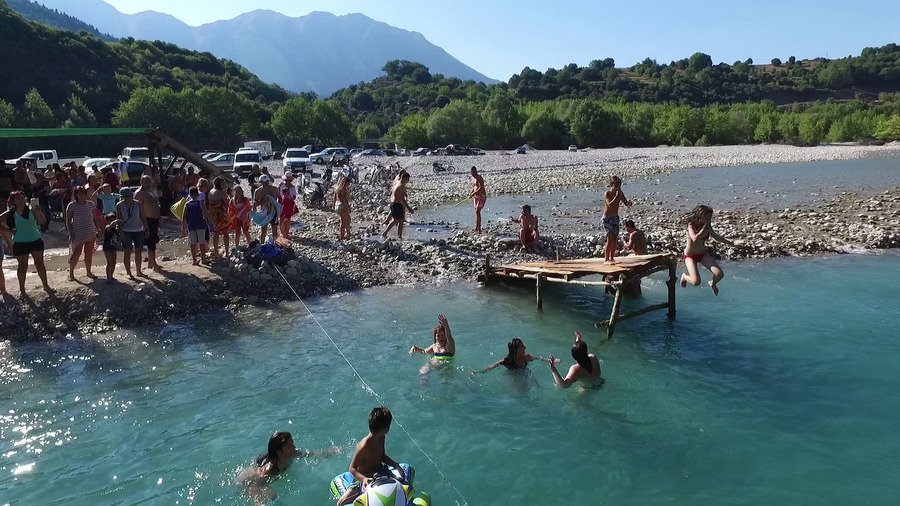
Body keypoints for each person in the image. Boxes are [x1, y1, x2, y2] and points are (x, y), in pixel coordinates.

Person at [239, 431, 341, 506]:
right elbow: (253, 487)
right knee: (272, 496)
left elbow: (314, 454)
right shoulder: (269, 470)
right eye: (289, 446)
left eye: (292, 443)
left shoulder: (293, 454)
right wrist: (260, 503)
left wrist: (333, 451)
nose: (294, 447)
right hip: (246, 479)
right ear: (279, 452)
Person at [337, 406, 402, 506]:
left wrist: (395, 465)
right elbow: (352, 468)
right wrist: (363, 479)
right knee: (341, 503)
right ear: (386, 429)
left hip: (381, 471)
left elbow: (382, 456)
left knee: (402, 486)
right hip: (365, 477)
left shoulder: (381, 437)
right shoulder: (363, 446)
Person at [0, 191, 53, 298]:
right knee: (22, 266)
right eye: (18, 198)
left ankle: (46, 286)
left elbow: (43, 222)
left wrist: (38, 211)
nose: (21, 200)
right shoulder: (11, 212)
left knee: (40, 264)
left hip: (35, 240)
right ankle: (22, 290)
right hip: (20, 242)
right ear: (13, 201)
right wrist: (9, 231)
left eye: (23, 197)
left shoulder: (31, 209)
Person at [680, 204, 735, 296]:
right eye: (707, 217)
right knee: (696, 282)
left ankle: (712, 284)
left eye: (710, 217)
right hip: (690, 256)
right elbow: (694, 238)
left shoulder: (708, 226)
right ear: (700, 216)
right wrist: (703, 229)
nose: (709, 220)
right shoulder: (691, 225)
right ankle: (684, 277)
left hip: (702, 254)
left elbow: (716, 236)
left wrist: (731, 243)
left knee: (719, 274)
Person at [65, 186, 100, 281]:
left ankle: (89, 272)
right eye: (78, 193)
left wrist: (98, 228)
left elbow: (95, 217)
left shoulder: (90, 204)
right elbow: (68, 221)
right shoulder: (71, 205)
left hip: (90, 230)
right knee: (76, 252)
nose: (81, 195)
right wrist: (71, 233)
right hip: (78, 231)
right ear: (75, 194)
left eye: (83, 193)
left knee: (88, 252)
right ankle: (71, 273)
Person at [116, 187, 146, 278]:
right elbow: (119, 220)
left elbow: (142, 216)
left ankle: (138, 271)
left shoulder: (138, 204)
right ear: (123, 197)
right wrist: (120, 232)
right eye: (126, 196)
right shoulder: (119, 205)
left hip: (138, 230)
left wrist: (146, 227)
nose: (129, 197)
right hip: (126, 231)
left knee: (138, 251)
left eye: (130, 195)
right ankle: (129, 272)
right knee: (127, 251)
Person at [478, 338, 557, 373]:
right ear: (517, 350)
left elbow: (538, 358)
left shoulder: (526, 357)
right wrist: (478, 373)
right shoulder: (506, 361)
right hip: (512, 375)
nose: (525, 347)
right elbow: (491, 367)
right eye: (522, 346)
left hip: (524, 373)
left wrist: (551, 361)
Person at [135, 175, 162, 271]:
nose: (148, 183)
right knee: (150, 243)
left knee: (153, 241)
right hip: (147, 221)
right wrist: (143, 223)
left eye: (149, 181)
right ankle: (154, 264)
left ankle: (151, 262)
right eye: (145, 181)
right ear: (141, 182)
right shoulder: (139, 193)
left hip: (154, 221)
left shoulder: (149, 192)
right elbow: (137, 209)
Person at [602, 175, 632, 264]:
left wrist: (628, 203)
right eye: (615, 186)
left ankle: (612, 258)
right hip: (607, 218)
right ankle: (606, 259)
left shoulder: (620, 193)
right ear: (611, 185)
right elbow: (609, 204)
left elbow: (625, 202)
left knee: (615, 238)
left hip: (615, 217)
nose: (617, 188)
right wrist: (615, 197)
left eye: (618, 186)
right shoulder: (607, 194)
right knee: (610, 238)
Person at [183, 187, 211, 265]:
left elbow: (183, 217)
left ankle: (194, 260)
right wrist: (213, 223)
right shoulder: (201, 203)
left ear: (190, 194)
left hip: (191, 226)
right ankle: (203, 259)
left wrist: (183, 227)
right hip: (200, 225)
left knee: (193, 243)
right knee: (201, 243)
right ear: (198, 194)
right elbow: (207, 214)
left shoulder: (187, 204)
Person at [382, 171, 413, 240]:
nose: (408, 181)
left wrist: (404, 193)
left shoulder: (398, 182)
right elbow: (402, 199)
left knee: (396, 220)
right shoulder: (400, 186)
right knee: (399, 221)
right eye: (408, 179)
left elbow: (394, 191)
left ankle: (387, 233)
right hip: (397, 204)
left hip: (393, 203)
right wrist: (409, 208)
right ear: (404, 178)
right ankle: (399, 236)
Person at [207, 177, 230, 259]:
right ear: (220, 184)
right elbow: (227, 205)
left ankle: (216, 253)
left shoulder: (210, 191)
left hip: (213, 216)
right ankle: (227, 252)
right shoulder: (221, 192)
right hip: (221, 215)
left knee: (215, 234)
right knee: (225, 233)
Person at [254, 175, 280, 242]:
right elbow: (255, 204)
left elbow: (280, 199)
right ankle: (262, 245)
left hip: (273, 212)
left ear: (268, 181)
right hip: (264, 212)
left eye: (266, 182)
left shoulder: (274, 189)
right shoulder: (258, 191)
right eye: (263, 182)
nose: (265, 184)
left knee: (274, 231)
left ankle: (275, 245)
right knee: (263, 231)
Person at [101, 212, 122, 281]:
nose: (113, 222)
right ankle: (108, 277)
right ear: (107, 221)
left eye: (114, 220)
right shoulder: (107, 227)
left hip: (113, 247)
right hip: (107, 248)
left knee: (114, 262)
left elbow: (118, 239)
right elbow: (109, 227)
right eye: (111, 220)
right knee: (109, 263)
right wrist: (114, 222)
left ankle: (111, 276)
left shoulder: (116, 230)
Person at [468, 166, 487, 233]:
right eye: (471, 172)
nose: (472, 173)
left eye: (473, 172)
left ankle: (479, 229)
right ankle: (476, 228)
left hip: (482, 196)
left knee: (478, 211)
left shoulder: (479, 178)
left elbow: (481, 188)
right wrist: (471, 192)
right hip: (476, 197)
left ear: (476, 171)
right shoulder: (472, 178)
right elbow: (474, 187)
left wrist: (474, 193)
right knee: (476, 211)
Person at [333, 175, 351, 240]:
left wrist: (333, 205)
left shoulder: (337, 188)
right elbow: (345, 200)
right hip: (343, 207)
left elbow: (334, 198)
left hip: (337, 206)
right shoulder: (344, 190)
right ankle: (342, 236)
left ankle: (347, 233)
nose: (349, 185)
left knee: (347, 219)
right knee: (344, 222)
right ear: (345, 183)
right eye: (348, 184)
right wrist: (348, 207)